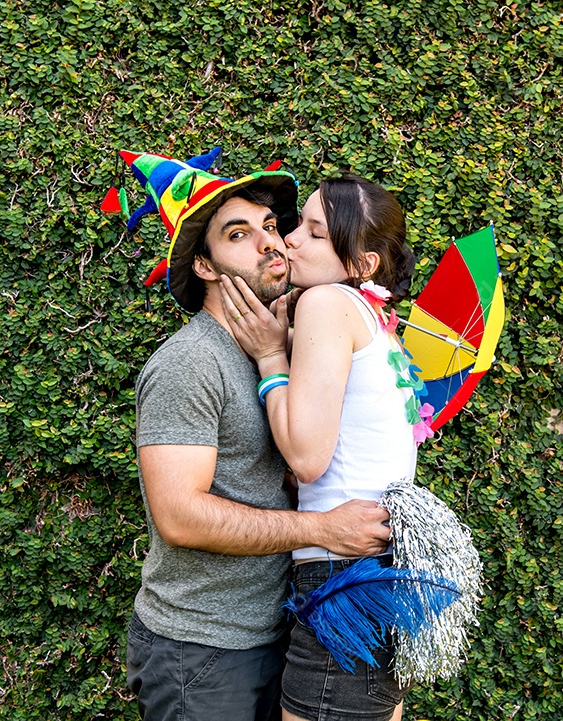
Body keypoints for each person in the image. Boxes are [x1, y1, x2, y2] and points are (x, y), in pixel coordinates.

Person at [112, 149, 393, 721]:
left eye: (271, 226)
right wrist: (322, 529)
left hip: (281, 631)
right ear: (206, 267)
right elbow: (180, 515)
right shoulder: (189, 363)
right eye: (238, 234)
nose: (271, 242)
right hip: (203, 651)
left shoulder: (288, 350)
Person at [220, 172, 424, 721]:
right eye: (298, 225)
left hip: (341, 574)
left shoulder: (327, 303)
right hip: (380, 568)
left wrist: (268, 356)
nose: (289, 239)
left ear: (361, 265)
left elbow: (307, 459)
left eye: (313, 232)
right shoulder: (376, 317)